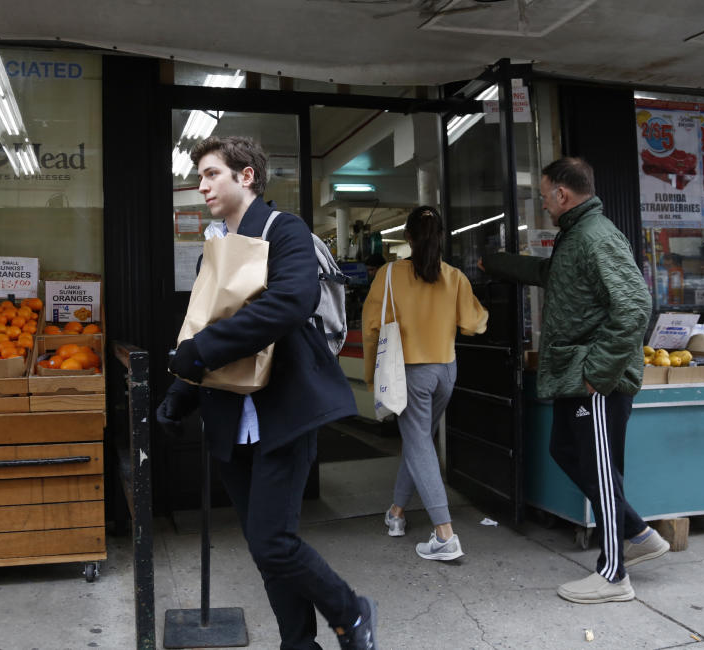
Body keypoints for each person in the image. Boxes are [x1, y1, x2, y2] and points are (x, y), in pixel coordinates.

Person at [157, 135, 378, 650]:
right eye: (201, 175)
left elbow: (291, 301)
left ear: (246, 176)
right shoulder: (213, 249)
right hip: (231, 417)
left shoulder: (286, 231)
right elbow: (201, 331)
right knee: (265, 547)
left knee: (273, 541)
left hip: (285, 409)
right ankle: (298, 644)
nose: (202, 184)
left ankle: (351, 612)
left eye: (213, 173)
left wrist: (201, 352)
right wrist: (180, 394)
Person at [479, 157, 667, 604]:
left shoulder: (595, 236)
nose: (543, 203)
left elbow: (635, 306)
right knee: (565, 450)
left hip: (595, 380)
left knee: (602, 470)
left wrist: (598, 375)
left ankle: (614, 575)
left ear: (562, 194)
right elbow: (549, 276)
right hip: (574, 376)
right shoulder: (575, 238)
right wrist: (497, 264)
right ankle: (639, 534)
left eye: (544, 195)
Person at [362, 206, 488, 561]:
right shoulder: (454, 276)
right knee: (419, 442)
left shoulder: (389, 275)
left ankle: (445, 534)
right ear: (441, 237)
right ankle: (397, 514)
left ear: (408, 238)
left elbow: (372, 330)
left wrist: (372, 375)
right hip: (446, 371)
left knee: (418, 442)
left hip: (410, 374)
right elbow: (473, 324)